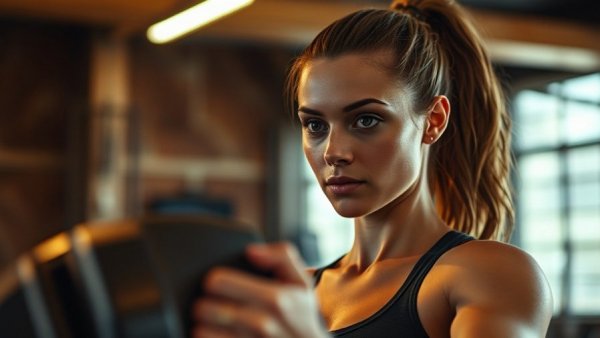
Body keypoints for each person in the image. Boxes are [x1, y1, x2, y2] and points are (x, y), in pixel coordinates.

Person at [191, 0, 554, 337]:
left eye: (366, 120)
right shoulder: (293, 292)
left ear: (433, 121)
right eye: (315, 125)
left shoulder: (490, 274)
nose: (333, 152)